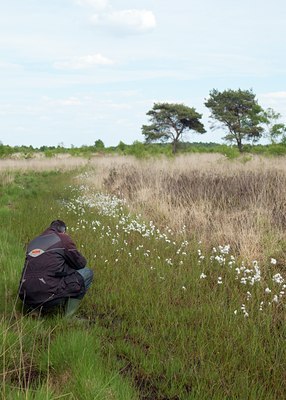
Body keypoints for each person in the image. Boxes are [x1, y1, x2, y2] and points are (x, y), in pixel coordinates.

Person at [18, 219, 93, 317]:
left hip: (25, 296)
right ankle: (69, 317)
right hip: (49, 296)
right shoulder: (63, 238)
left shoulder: (33, 242)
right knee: (87, 272)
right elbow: (80, 264)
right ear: (63, 230)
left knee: (39, 279)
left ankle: (35, 309)